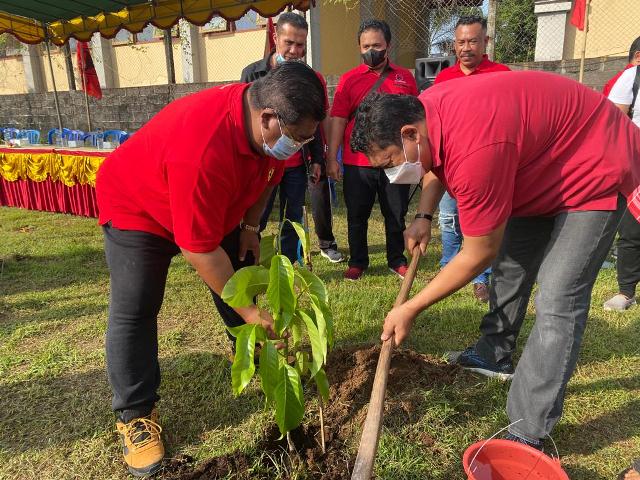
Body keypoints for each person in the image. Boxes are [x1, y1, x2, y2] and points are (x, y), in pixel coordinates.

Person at [349, 72, 639, 450]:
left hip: (593, 168)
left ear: (409, 134)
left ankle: (528, 429)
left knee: (558, 295)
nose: (391, 173)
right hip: (538, 168)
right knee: (512, 265)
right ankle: (494, 353)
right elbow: (434, 161)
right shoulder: (428, 111)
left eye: (389, 161)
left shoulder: (475, 150)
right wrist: (423, 216)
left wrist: (412, 308)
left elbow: (476, 253)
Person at [95, 62, 325, 477]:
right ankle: (135, 415)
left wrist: (251, 227)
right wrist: (250, 311)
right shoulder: (202, 149)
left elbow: (270, 177)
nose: (298, 147)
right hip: (139, 206)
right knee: (137, 304)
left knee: (239, 273)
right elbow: (199, 249)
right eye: (296, 139)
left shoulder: (267, 132)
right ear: (268, 118)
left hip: (210, 204)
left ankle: (259, 355)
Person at [240, 12, 344, 264]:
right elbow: (244, 121)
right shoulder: (253, 75)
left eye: (301, 45)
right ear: (276, 38)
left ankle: (288, 264)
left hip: (297, 165)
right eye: (289, 43)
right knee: (257, 216)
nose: (295, 51)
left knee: (292, 216)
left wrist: (318, 159)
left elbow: (316, 123)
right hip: (262, 165)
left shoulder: (311, 78)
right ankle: (250, 261)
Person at [327, 19, 418, 280]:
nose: (371, 50)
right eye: (365, 46)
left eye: (376, 45)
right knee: (357, 215)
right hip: (357, 162)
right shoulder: (348, 80)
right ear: (359, 47)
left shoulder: (405, 78)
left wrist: (415, 156)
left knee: (395, 214)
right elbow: (338, 120)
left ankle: (396, 259)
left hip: (396, 161)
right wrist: (332, 157)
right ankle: (358, 262)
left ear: (388, 45)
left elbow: (415, 117)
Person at [432, 15, 511, 303]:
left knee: (478, 222)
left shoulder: (501, 74)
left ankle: (479, 277)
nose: (466, 47)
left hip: (485, 166)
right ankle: (447, 268)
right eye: (461, 42)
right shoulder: (444, 78)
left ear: (485, 42)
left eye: (473, 41)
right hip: (451, 163)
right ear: (454, 45)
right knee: (449, 218)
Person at [603, 37, 640, 312]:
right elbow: (614, 123)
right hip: (637, 163)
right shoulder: (632, 77)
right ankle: (626, 291)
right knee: (632, 229)